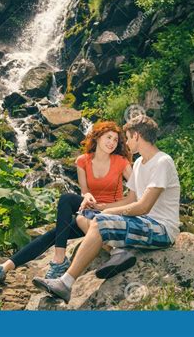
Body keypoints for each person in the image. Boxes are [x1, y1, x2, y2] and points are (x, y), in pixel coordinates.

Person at [32, 115, 181, 303]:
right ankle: (118, 253)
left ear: (136, 136)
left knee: (100, 221)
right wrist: (102, 208)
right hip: (144, 223)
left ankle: (65, 283)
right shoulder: (138, 163)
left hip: (162, 229)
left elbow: (144, 206)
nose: (125, 143)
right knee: (86, 215)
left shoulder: (162, 162)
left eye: (127, 138)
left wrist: (108, 213)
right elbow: (131, 199)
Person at [0, 121, 132, 286]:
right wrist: (87, 196)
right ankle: (4, 267)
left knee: (58, 225)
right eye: (108, 137)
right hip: (89, 212)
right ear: (97, 137)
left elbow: (135, 197)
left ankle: (58, 260)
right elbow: (84, 192)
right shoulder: (82, 161)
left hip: (111, 214)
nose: (112, 142)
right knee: (61, 216)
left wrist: (104, 207)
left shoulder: (121, 162)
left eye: (115, 140)